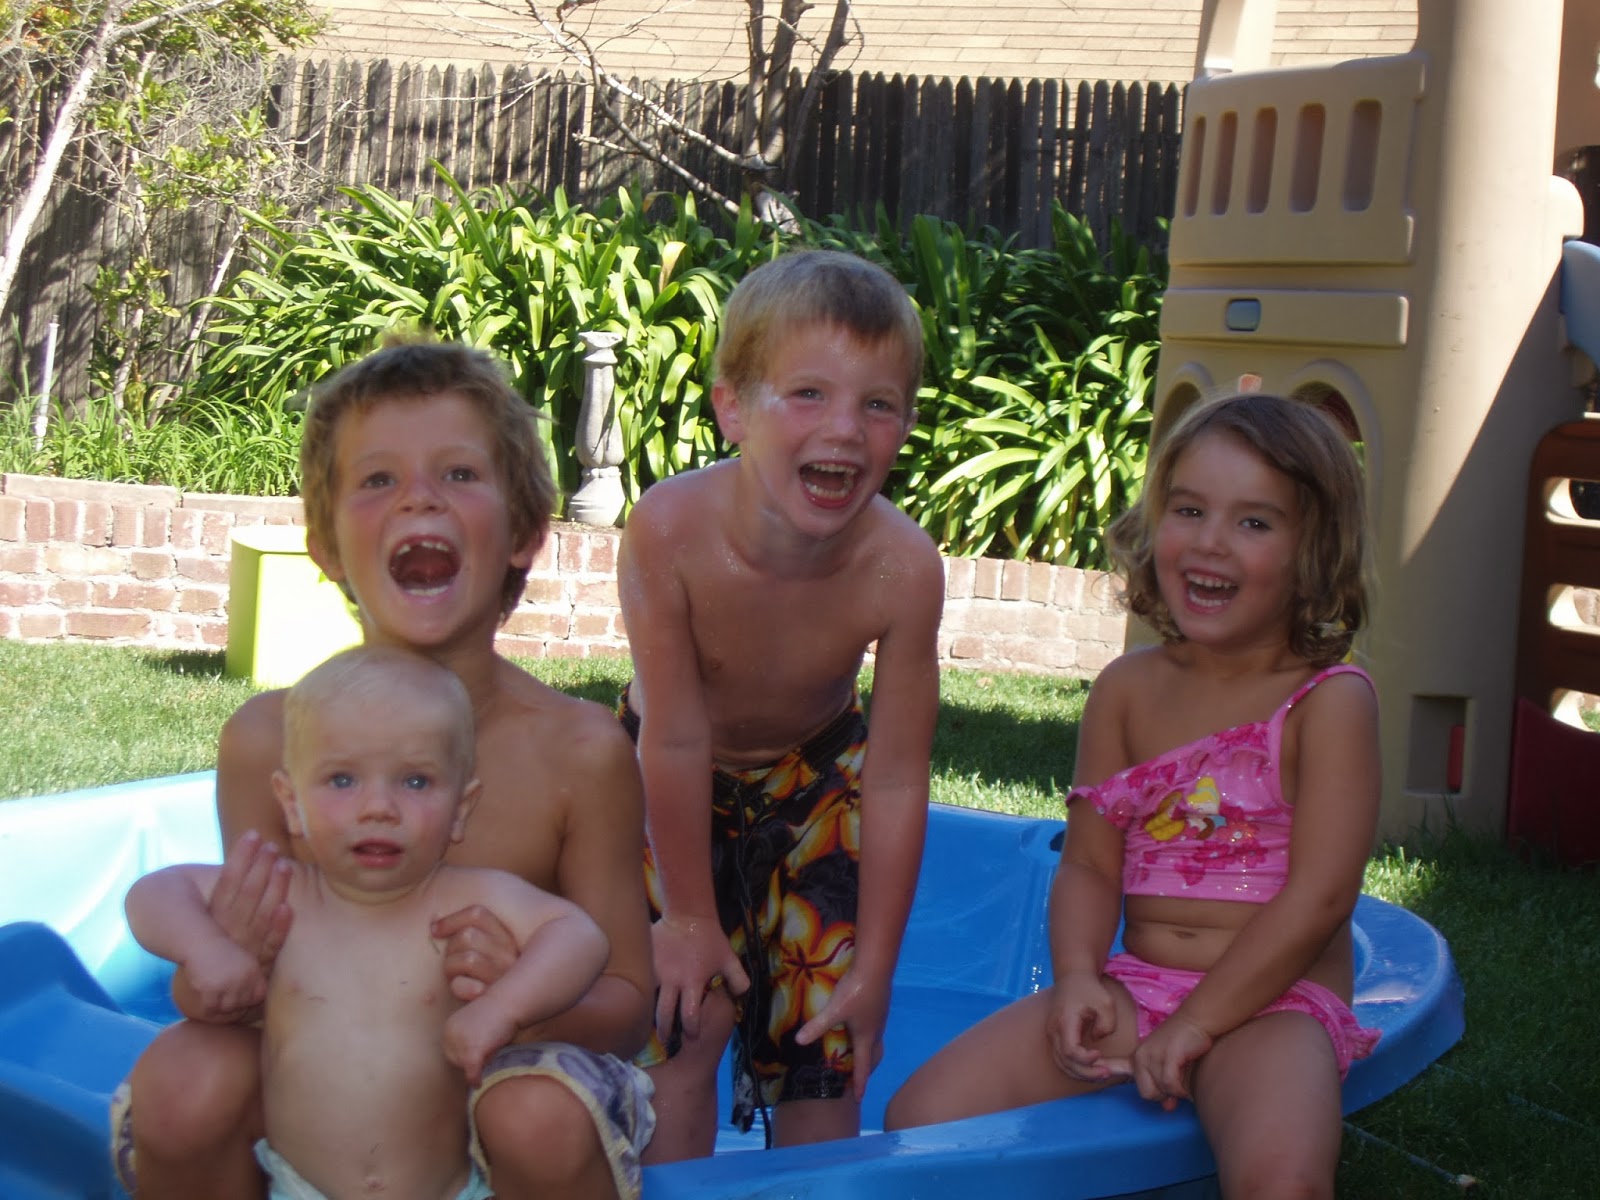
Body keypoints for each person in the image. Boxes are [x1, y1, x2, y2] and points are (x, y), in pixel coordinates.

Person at [116, 338, 656, 1200]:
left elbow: (628, 1002)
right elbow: (226, 985)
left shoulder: (578, 752)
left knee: (538, 1114)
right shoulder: (267, 743)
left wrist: (517, 1001)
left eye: (459, 474)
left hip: (499, 1081)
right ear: (326, 547)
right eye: (377, 480)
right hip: (328, 1101)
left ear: (524, 533)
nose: (418, 498)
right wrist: (217, 968)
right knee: (184, 1080)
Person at [885, 392, 1382, 1200]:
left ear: (1315, 551)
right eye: (1189, 510)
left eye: (1255, 522)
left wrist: (1198, 1023)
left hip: (1276, 1002)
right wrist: (1079, 977)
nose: (1210, 541)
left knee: (1282, 1179)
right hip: (1140, 987)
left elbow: (1321, 898)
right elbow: (1088, 865)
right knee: (921, 1118)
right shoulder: (1125, 692)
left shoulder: (1327, 703)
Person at [616, 248, 944, 1160]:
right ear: (732, 408)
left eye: (877, 404)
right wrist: (689, 918)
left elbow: (894, 779)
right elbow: (673, 739)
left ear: (906, 424)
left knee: (826, 1037)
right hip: (666, 769)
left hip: (817, 779)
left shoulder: (903, 569)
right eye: (808, 394)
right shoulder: (669, 530)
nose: (845, 429)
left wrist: (874, 970)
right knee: (682, 1017)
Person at [125, 644, 613, 1200]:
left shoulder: (468, 897)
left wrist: (505, 1008)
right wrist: (206, 948)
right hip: (297, 1189)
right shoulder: (286, 894)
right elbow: (156, 891)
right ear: (291, 802)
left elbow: (577, 935)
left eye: (415, 782)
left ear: (461, 808)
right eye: (341, 780)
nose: (378, 807)